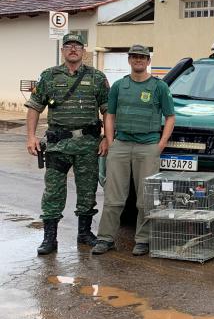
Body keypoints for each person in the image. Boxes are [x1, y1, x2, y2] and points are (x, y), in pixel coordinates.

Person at [25, 33, 109, 255]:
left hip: (88, 145)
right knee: (53, 191)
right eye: (69, 46)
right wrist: (31, 137)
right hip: (58, 146)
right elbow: (34, 107)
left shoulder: (97, 77)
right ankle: (49, 239)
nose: (73, 49)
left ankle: (84, 233)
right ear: (63, 50)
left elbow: (107, 110)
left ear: (83, 51)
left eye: (77, 46)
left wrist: (107, 138)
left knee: (87, 190)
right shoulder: (49, 76)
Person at [91, 44, 175, 256]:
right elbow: (109, 115)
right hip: (121, 145)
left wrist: (160, 145)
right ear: (129, 60)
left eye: (142, 57)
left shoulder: (159, 87)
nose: (138, 60)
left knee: (145, 198)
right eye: (134, 57)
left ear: (148, 61)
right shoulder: (119, 86)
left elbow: (170, 117)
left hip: (148, 146)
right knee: (113, 196)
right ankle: (105, 238)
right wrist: (111, 141)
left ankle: (143, 240)